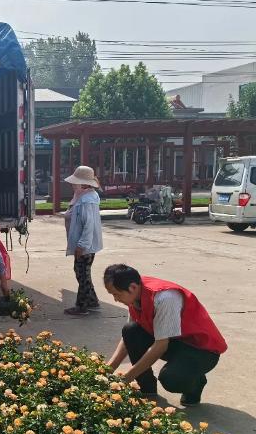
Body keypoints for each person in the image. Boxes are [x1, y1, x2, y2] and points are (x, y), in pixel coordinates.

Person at [103, 264, 227, 406]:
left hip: (201, 350)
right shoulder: (135, 293)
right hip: (174, 340)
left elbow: (160, 346)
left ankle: (196, 382)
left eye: (116, 294)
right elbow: (128, 338)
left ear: (132, 287)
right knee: (131, 330)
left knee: (171, 379)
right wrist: (108, 369)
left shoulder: (165, 298)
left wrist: (126, 379)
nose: (115, 299)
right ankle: (147, 387)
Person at [64, 165, 104, 316]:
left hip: (85, 245)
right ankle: (92, 301)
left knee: (82, 273)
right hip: (84, 244)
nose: (73, 184)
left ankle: (82, 306)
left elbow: (89, 225)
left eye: (76, 182)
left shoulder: (87, 200)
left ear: (84, 183)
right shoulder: (83, 197)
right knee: (82, 272)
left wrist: (82, 245)